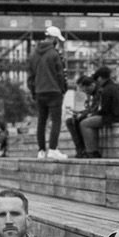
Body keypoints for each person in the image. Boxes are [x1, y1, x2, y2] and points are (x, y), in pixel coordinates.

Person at [28, 25, 69, 160]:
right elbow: (60, 74)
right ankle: (52, 149)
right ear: (54, 38)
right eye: (57, 39)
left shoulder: (34, 54)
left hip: (40, 92)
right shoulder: (54, 54)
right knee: (56, 120)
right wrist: (63, 89)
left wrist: (34, 92)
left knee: (41, 121)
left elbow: (31, 76)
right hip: (54, 91)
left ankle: (41, 151)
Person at [77, 66, 119, 158]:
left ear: (100, 78)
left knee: (84, 123)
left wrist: (92, 115)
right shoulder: (117, 86)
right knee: (90, 120)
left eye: (97, 79)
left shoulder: (106, 90)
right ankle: (91, 150)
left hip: (112, 117)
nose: (97, 82)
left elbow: (105, 110)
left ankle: (92, 151)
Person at [64, 74, 96, 157]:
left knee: (76, 120)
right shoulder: (84, 93)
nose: (82, 89)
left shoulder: (93, 92)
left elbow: (93, 108)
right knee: (70, 120)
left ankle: (83, 149)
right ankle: (80, 149)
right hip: (88, 113)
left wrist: (82, 113)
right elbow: (88, 107)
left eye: (82, 87)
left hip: (93, 114)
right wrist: (79, 112)